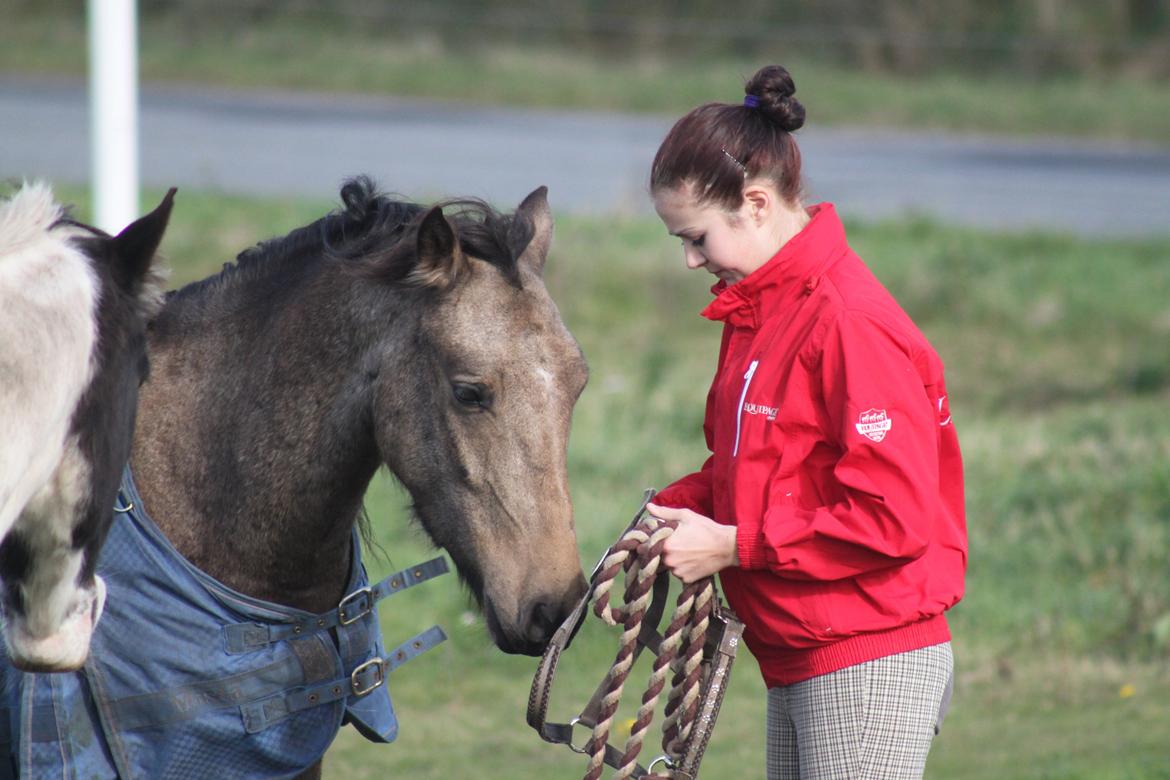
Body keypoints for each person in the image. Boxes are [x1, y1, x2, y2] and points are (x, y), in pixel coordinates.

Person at [645, 64, 967, 780]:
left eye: (696, 237)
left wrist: (732, 546)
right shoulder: (762, 314)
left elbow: (891, 516)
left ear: (756, 203)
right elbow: (757, 473)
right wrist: (669, 515)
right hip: (803, 653)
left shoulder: (848, 322)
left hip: (866, 659)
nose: (691, 260)